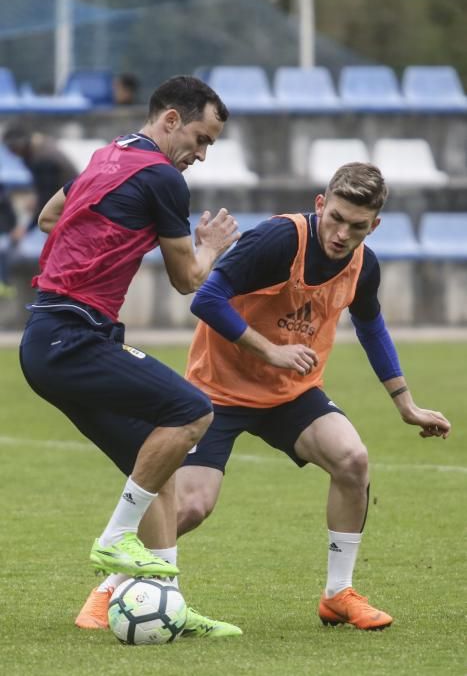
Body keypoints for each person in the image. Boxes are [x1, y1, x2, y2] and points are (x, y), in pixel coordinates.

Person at [76, 161, 451, 633]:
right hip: (217, 392)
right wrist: (271, 351)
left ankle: (338, 594)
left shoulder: (363, 264)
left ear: (373, 226)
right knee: (191, 505)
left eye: (357, 227)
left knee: (352, 459)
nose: (341, 234)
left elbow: (371, 325)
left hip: (290, 394)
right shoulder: (279, 239)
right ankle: (111, 584)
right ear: (320, 205)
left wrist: (406, 403)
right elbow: (206, 299)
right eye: (335, 218)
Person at [19, 75, 242, 638]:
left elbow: (50, 217)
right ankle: (118, 535)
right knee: (193, 411)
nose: (201, 153)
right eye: (201, 137)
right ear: (170, 120)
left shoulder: (108, 155)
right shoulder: (165, 178)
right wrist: (212, 245)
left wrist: (116, 236)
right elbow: (188, 280)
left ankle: (167, 597)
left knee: (156, 458)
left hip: (50, 337)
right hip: (72, 337)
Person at [2, 123, 78, 236]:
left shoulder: (42, 159)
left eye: (12, 148)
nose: (11, 153)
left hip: (69, 209)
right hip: (67, 202)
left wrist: (24, 230)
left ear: (20, 145)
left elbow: (46, 200)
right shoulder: (41, 146)